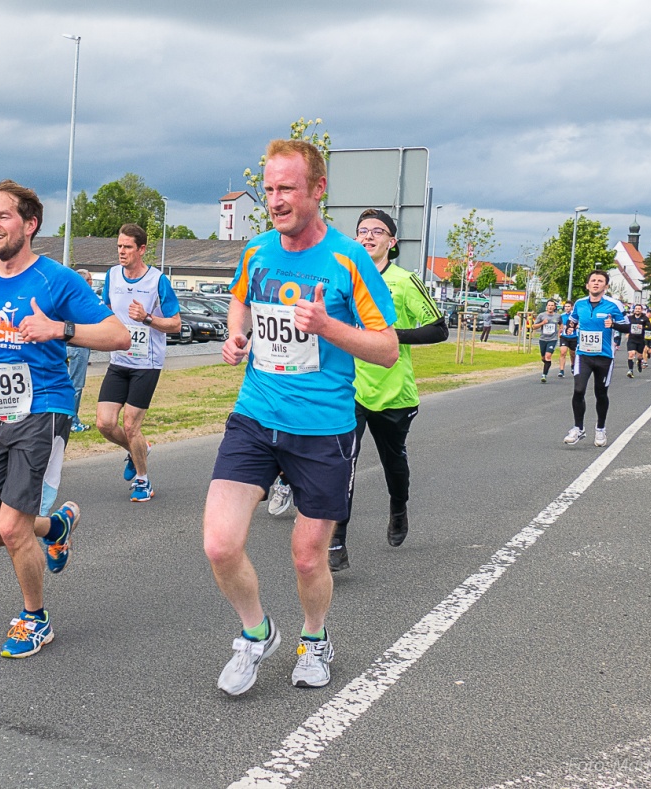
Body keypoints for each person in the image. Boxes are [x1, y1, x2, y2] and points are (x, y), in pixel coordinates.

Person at [203, 139, 399, 696]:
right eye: (268, 189)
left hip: (323, 427)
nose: (275, 200)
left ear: (318, 189)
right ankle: (256, 633)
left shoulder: (348, 259)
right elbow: (241, 299)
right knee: (220, 543)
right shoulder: (258, 251)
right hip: (256, 413)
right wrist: (235, 333)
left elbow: (386, 348)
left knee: (309, 557)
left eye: (286, 188)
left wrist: (327, 326)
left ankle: (314, 637)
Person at [0, 180, 130, 659]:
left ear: (30, 225)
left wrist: (59, 330)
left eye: (3, 216)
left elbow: (118, 334)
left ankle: (35, 618)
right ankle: (56, 528)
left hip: (45, 409)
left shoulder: (56, 279)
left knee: (10, 528)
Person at [328, 209, 448, 572]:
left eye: (377, 232)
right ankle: (337, 539)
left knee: (393, 461)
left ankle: (399, 506)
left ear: (391, 243)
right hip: (348, 388)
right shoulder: (343, 277)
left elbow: (439, 330)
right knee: (342, 462)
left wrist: (390, 338)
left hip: (393, 389)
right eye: (362, 231)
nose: (367, 237)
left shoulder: (404, 280)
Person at [95, 223, 182, 502]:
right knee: (104, 424)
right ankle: (140, 448)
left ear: (141, 249)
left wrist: (147, 318)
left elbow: (176, 324)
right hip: (119, 360)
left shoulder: (158, 281)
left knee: (131, 425)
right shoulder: (112, 276)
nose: (122, 252)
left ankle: (143, 480)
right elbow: (105, 312)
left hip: (147, 363)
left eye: (128, 247)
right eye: (119, 246)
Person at [562, 270, 630, 448]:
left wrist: (613, 325)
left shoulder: (613, 306)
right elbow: (573, 320)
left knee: (601, 393)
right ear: (587, 285)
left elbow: (628, 327)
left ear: (606, 286)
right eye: (593, 280)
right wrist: (570, 327)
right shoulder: (579, 304)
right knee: (578, 390)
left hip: (604, 357)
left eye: (600, 281)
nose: (596, 283)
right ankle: (578, 428)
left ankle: (600, 428)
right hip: (583, 355)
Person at [67, 268, 96, 433]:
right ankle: (72, 421)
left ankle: (66, 420)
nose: (92, 283)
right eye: (90, 279)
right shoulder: (84, 299)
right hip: (78, 347)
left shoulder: (67, 297)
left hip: (65, 346)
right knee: (76, 386)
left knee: (65, 385)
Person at [531, 300, 560, 383]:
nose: (550, 307)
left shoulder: (558, 316)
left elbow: (561, 324)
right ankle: (547, 363)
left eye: (552, 305)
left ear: (554, 307)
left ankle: (544, 375)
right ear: (546, 306)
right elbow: (534, 326)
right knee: (543, 358)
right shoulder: (541, 315)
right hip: (543, 339)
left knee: (548, 356)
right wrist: (542, 323)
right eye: (549, 305)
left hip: (553, 339)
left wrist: (561, 330)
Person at [624, 303, 650, 378]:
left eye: (639, 309)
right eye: (636, 309)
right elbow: (625, 326)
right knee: (631, 354)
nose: (637, 310)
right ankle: (630, 370)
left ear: (641, 310)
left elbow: (650, 327)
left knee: (639, 356)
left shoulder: (645, 318)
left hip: (640, 340)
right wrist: (627, 332)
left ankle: (639, 363)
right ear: (634, 310)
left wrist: (643, 327)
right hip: (632, 339)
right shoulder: (630, 318)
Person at [557, 300, 577, 377]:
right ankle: (561, 370)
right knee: (563, 352)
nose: (567, 308)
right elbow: (560, 325)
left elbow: (578, 324)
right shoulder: (562, 316)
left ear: (572, 307)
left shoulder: (574, 316)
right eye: (566, 306)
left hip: (574, 336)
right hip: (564, 336)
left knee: (573, 354)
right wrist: (559, 332)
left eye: (568, 306)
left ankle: (573, 365)